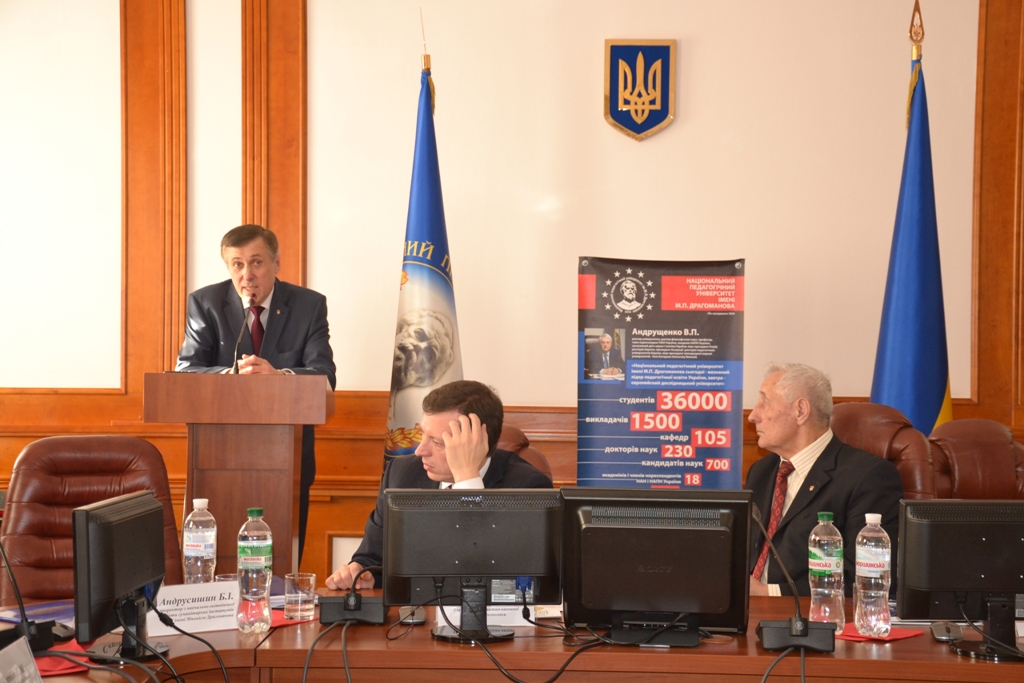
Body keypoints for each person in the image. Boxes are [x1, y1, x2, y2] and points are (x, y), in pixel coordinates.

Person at [176, 224, 336, 561]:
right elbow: (186, 371)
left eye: (256, 262)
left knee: (284, 558)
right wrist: (230, 374)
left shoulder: (308, 306)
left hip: (289, 457)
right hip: (215, 456)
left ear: (277, 263)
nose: (247, 275)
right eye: (237, 264)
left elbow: (324, 377)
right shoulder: (205, 303)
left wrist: (279, 377)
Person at [326, 380, 552, 590]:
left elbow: (502, 577)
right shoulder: (402, 474)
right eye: (423, 435)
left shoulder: (528, 487)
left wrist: (467, 480)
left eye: (437, 442)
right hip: (414, 616)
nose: (420, 451)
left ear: (476, 443)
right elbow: (372, 559)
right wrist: (360, 571)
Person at [745, 363, 903, 596]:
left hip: (811, 613)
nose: (752, 416)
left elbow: (865, 579)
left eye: (765, 402)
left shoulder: (868, 477)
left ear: (800, 411)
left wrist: (770, 593)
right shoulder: (762, 471)